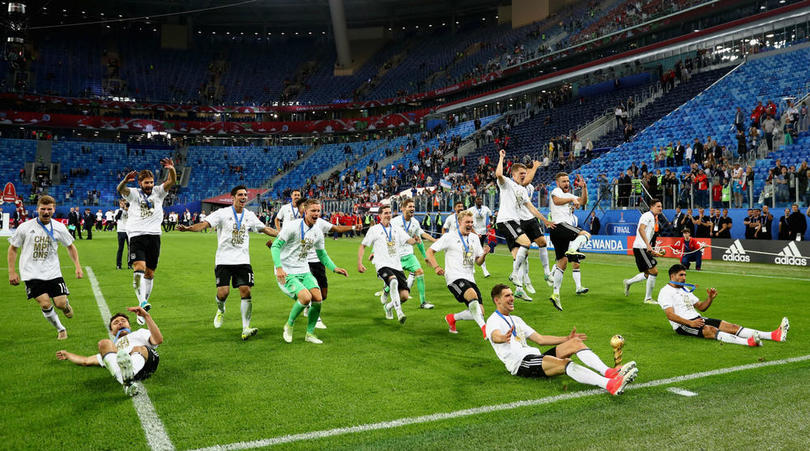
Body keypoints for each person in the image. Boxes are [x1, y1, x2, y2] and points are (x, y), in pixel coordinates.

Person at [486, 284, 638, 395]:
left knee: (575, 343)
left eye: (512, 295)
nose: (512, 298)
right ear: (497, 300)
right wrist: (502, 338)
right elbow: (494, 335)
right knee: (565, 364)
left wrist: (566, 338)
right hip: (521, 364)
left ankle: (608, 372)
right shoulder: (494, 320)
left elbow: (540, 339)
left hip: (535, 356)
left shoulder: (516, 319)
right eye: (507, 296)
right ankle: (610, 385)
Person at [177, 186, 278, 340]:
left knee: (246, 291)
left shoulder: (249, 215)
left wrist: (281, 234)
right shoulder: (222, 213)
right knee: (223, 293)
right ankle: (221, 308)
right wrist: (189, 228)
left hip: (243, 260)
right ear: (233, 197)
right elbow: (204, 224)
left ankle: (246, 328)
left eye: (245, 195)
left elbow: (264, 229)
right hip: (224, 260)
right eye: (240, 195)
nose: (244, 197)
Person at [272, 199, 348, 344]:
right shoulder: (292, 227)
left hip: (304, 270)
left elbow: (322, 254)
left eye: (318, 211)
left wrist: (334, 268)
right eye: (313, 210)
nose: (316, 213)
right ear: (305, 211)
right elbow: (275, 246)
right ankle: (289, 325)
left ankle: (310, 334)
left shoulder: (318, 232)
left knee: (318, 298)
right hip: (287, 271)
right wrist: (279, 267)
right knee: (305, 298)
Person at [7, 196, 83, 340]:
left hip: (53, 272)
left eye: (49, 209)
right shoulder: (25, 227)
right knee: (45, 303)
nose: (46, 212)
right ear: (37, 209)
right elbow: (13, 249)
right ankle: (61, 329)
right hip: (31, 273)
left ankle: (65, 306)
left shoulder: (59, 227)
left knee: (60, 303)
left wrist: (77, 266)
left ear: (54, 209)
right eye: (43, 209)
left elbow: (70, 247)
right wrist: (12, 272)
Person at [658, 264, 789, 346]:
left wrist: (710, 298)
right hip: (683, 325)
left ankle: (773, 335)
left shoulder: (685, 290)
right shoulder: (665, 291)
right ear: (672, 276)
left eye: (685, 275)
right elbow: (670, 315)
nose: (684, 278)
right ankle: (748, 342)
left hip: (698, 319)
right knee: (710, 330)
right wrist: (690, 323)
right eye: (681, 275)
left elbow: (701, 307)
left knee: (732, 326)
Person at [116, 158, 176, 325]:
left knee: (149, 273)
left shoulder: (159, 191)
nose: (149, 185)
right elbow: (120, 189)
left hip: (155, 235)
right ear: (140, 183)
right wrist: (125, 181)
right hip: (136, 235)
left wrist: (171, 168)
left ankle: (142, 307)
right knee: (139, 267)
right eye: (146, 183)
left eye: (151, 182)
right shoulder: (134, 193)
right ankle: (142, 302)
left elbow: (172, 181)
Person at [56, 306, 162, 397]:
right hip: (129, 371)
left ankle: (127, 375)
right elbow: (86, 361)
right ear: (112, 331)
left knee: (138, 349)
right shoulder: (113, 347)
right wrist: (68, 355)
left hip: (147, 364)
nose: (120, 323)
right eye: (116, 323)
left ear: (129, 326)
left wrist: (146, 316)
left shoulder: (140, 333)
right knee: (104, 343)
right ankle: (127, 381)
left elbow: (158, 340)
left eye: (123, 321)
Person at [494, 149, 555, 302]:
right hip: (505, 221)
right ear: (513, 175)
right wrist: (501, 157)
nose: (523, 175)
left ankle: (519, 288)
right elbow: (498, 174)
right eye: (520, 173)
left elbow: (531, 208)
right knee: (527, 243)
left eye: (524, 173)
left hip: (514, 223)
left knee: (520, 255)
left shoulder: (522, 190)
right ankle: (515, 275)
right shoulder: (506, 183)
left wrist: (545, 220)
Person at [426, 211, 490, 338]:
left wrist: (484, 255)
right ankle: (484, 328)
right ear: (459, 222)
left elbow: (478, 262)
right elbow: (430, 251)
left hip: (470, 277)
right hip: (454, 277)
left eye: (471, 222)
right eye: (467, 222)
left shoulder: (474, 238)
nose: (470, 224)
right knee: (472, 295)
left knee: (480, 311)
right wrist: (436, 267)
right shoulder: (449, 237)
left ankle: (452, 318)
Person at [358, 204, 417, 324]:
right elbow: (363, 246)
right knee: (393, 281)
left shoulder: (396, 228)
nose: (388, 215)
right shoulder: (374, 229)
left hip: (396, 265)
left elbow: (409, 240)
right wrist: (360, 263)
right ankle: (399, 312)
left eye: (390, 212)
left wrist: (415, 239)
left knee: (404, 296)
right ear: (380, 216)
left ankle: (388, 307)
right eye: (385, 213)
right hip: (382, 265)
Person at [547, 171, 590, 311]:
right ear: (558, 183)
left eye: (567, 181)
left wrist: (584, 188)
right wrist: (572, 200)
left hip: (557, 230)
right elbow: (556, 201)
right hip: (559, 225)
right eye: (563, 181)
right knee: (584, 234)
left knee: (562, 262)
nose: (566, 183)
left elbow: (583, 202)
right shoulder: (556, 191)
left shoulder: (569, 195)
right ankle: (573, 250)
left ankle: (555, 294)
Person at [392, 198, 437, 309]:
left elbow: (419, 239)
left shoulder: (415, 222)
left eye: (413, 207)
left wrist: (426, 255)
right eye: (410, 206)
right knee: (393, 280)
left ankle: (423, 302)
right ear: (403, 208)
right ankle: (386, 291)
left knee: (420, 272)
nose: (412, 209)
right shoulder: (395, 222)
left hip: (409, 255)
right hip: (396, 256)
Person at [519, 162, 553, 292]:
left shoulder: (531, 187)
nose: (525, 175)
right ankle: (526, 280)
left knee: (542, 242)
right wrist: (534, 167)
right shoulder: (515, 185)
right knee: (524, 252)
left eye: (526, 172)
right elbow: (524, 183)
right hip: (519, 220)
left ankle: (546, 272)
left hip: (530, 218)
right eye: (523, 173)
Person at [623, 199, 665, 305]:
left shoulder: (653, 218)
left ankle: (628, 282)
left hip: (642, 248)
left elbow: (648, 234)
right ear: (651, 206)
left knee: (647, 274)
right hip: (641, 247)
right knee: (654, 272)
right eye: (658, 206)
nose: (660, 208)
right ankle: (648, 299)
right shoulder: (647, 216)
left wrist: (652, 249)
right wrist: (648, 245)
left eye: (661, 206)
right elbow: (641, 229)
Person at [470, 196, 493, 278]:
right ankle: (483, 270)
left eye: (480, 199)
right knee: (473, 250)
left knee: (479, 251)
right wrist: (475, 233)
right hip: (474, 233)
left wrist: (490, 224)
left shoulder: (486, 208)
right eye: (478, 199)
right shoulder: (471, 209)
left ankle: (479, 269)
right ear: (475, 201)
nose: (480, 201)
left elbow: (491, 216)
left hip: (483, 233)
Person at [114, 199, 130, 270]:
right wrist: (121, 208)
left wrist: (127, 209)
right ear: (120, 204)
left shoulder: (130, 211)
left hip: (129, 231)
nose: (123, 204)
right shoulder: (117, 210)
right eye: (122, 203)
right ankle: (118, 265)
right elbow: (117, 218)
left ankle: (130, 264)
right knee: (120, 248)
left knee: (130, 249)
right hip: (121, 231)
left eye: (125, 203)